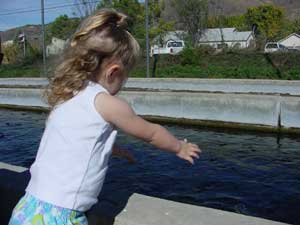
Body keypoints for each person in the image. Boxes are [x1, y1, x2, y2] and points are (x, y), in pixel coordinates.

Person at [8, 9, 201, 225]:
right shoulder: (108, 103)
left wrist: (110, 149)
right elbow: (152, 133)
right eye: (125, 78)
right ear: (113, 72)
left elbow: (69, 141)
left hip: (28, 207)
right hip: (59, 216)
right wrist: (179, 148)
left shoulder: (68, 96)